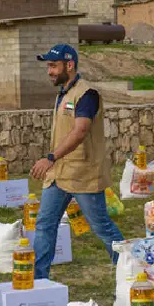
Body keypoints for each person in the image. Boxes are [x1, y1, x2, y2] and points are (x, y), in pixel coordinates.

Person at [30, 44, 125, 279]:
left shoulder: (86, 94)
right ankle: (39, 280)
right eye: (48, 66)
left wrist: (51, 157)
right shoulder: (64, 94)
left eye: (53, 66)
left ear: (69, 65)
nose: (49, 71)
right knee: (44, 224)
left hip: (82, 173)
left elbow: (80, 131)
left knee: (101, 227)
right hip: (59, 173)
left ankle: (131, 269)